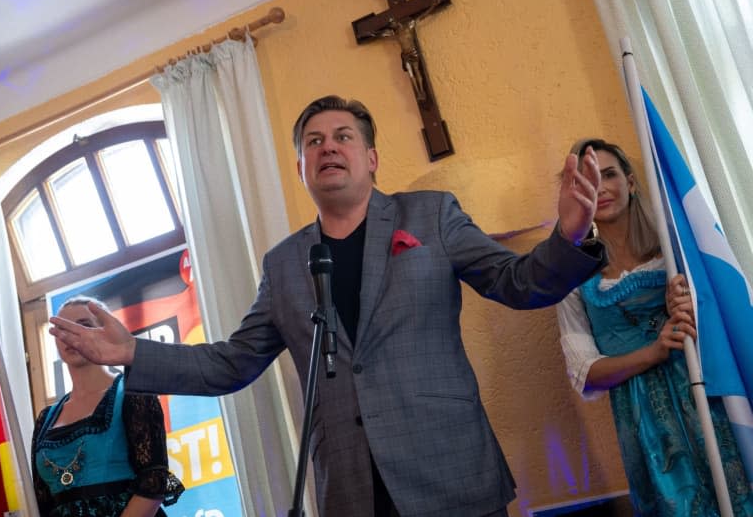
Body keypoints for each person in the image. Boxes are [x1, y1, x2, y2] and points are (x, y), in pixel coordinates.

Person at [50, 95, 605, 517]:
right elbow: (231, 363)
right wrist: (130, 351)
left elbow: (519, 283)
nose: (328, 147)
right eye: (313, 142)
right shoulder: (285, 263)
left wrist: (569, 236)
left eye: (342, 136)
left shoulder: (430, 217)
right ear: (300, 169)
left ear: (371, 158)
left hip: (451, 473)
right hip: (351, 489)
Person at [556, 139, 753, 516]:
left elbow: (730, 314)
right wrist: (654, 351)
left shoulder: (678, 250)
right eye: (587, 180)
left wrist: (693, 306)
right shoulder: (573, 277)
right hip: (644, 419)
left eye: (608, 174)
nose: (599, 187)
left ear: (631, 182)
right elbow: (587, 376)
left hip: (710, 392)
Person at [32, 296, 184, 517]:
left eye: (84, 326)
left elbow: (153, 482)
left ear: (104, 332)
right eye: (62, 328)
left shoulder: (134, 392)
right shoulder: (45, 418)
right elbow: (42, 501)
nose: (72, 335)